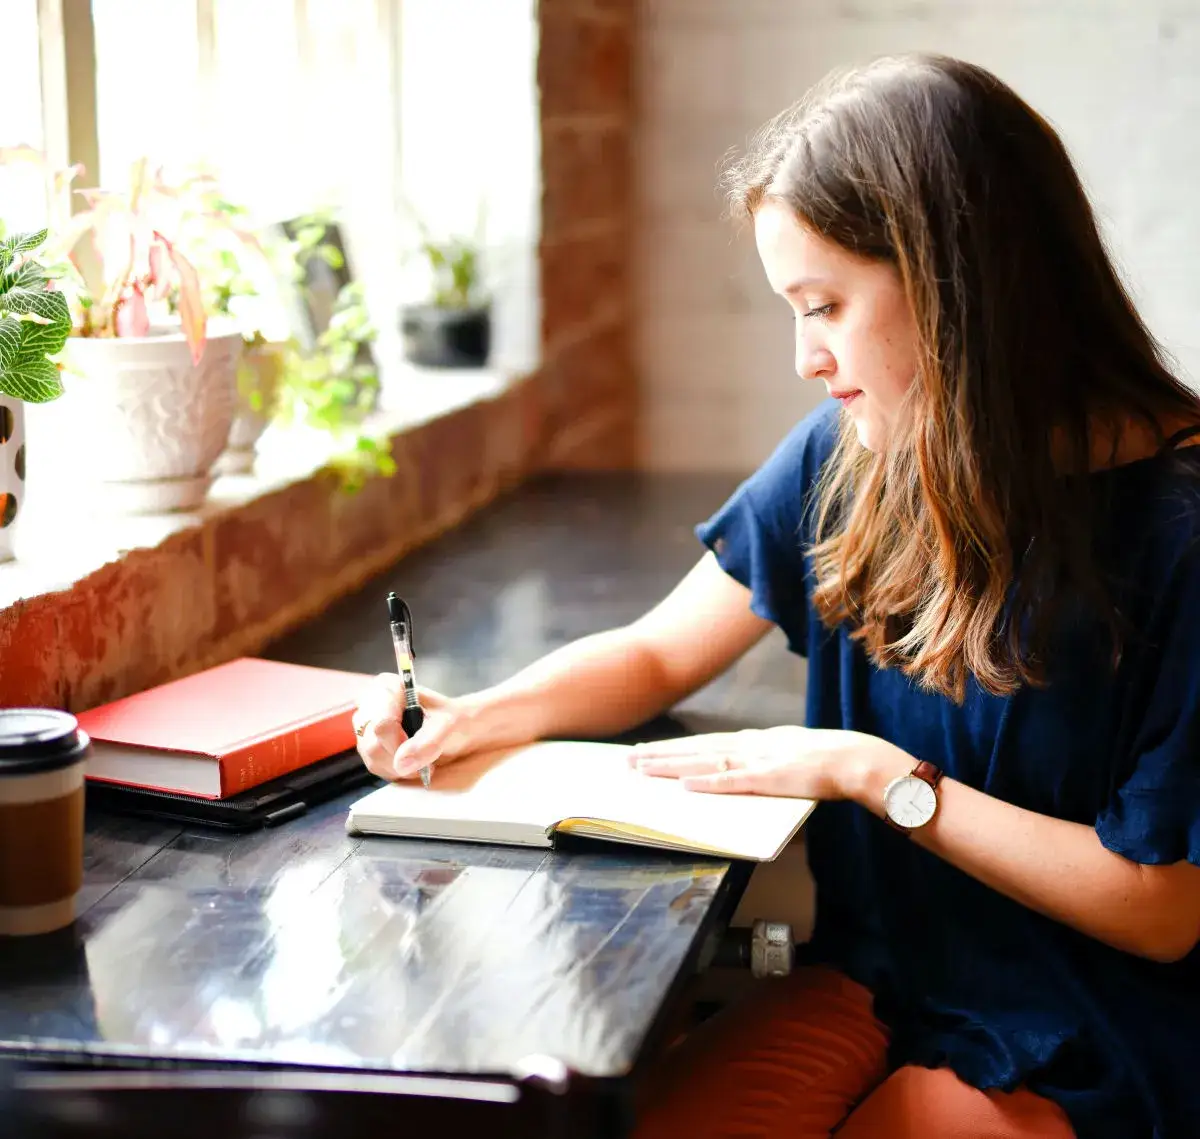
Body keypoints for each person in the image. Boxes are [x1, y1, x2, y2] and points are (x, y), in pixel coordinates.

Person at [352, 52, 1200, 1139]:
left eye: (826, 305)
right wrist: (475, 715)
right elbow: (660, 652)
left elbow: (1161, 908)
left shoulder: (1177, 534)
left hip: (1108, 1020)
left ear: (956, 283)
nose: (807, 357)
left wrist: (878, 774)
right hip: (884, 977)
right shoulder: (855, 454)